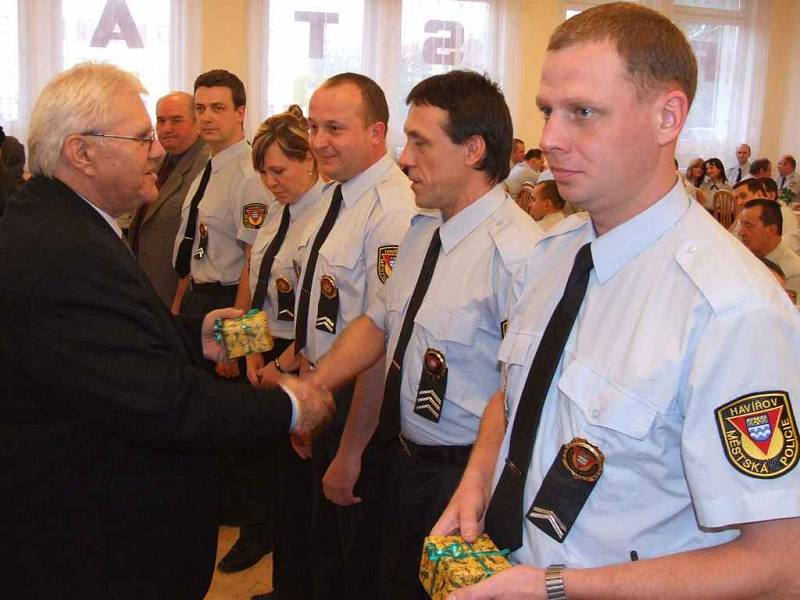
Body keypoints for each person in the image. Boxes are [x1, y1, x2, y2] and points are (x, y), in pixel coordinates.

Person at [434, 3, 800, 599]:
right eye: (547, 112)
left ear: (667, 116)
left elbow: (782, 563)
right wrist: (477, 477)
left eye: (583, 112)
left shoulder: (731, 311)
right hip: (510, 566)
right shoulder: (557, 252)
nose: (550, 139)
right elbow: (517, 387)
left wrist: (552, 586)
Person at [0, 62, 333, 600]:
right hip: (87, 534)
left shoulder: (60, 225)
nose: (156, 149)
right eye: (140, 138)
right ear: (81, 153)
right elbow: (157, 394)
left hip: (273, 338)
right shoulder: (68, 251)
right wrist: (292, 406)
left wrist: (193, 333)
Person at [304, 69, 542, 600]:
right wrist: (316, 384)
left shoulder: (519, 255)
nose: (404, 157)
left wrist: (475, 488)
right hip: (406, 460)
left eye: (420, 142)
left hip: (464, 480)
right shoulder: (423, 230)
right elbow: (377, 324)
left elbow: (520, 393)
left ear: (473, 150)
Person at [263, 72, 416, 600]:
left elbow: (378, 340)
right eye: (313, 125)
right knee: (321, 545)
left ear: (377, 132)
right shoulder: (337, 194)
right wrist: (300, 369)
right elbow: (325, 303)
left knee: (352, 560)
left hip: (359, 400)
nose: (319, 140)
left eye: (335, 127)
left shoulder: (393, 210)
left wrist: (350, 447)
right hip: (325, 384)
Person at [243, 106, 327, 600]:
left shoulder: (324, 216)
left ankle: (299, 588)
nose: (270, 182)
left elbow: (320, 315)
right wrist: (250, 353)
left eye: (280, 170)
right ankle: (283, 585)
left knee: (301, 491)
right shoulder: (276, 211)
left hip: (301, 357)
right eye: (263, 173)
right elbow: (254, 289)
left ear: (310, 161)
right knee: (274, 483)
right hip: (266, 351)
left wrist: (278, 366)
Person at [127, 91, 209, 305]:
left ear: (196, 122)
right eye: (161, 121)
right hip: (147, 285)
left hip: (178, 293)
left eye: (176, 121)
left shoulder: (206, 165)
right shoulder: (159, 160)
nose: (166, 129)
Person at [739, 198, 800, 304]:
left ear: (771, 230)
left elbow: (788, 317)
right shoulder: (746, 255)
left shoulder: (793, 273)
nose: (741, 232)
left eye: (749, 226)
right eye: (741, 225)